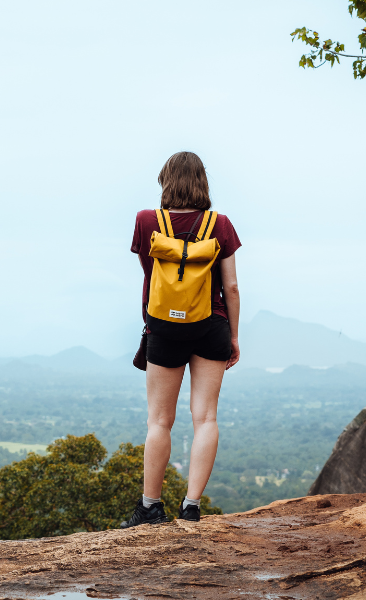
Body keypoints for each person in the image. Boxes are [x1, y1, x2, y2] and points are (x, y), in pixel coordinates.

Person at [123, 151, 241, 526]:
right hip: (212, 323)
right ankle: (190, 507)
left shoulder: (147, 222)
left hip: (164, 327)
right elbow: (232, 287)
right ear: (203, 182)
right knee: (205, 418)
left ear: (166, 181)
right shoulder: (220, 225)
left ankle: (149, 507)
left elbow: (149, 272)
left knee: (159, 420)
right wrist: (234, 337)